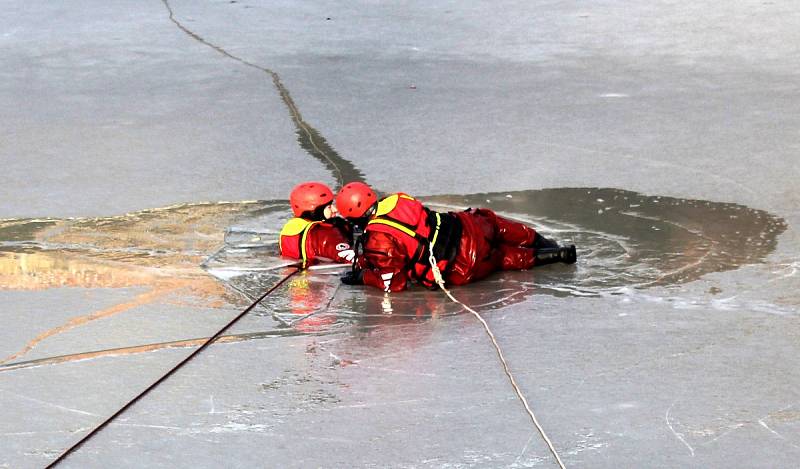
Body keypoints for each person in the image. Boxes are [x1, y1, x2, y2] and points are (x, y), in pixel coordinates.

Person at [335, 182, 576, 292]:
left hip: (462, 263)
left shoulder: (378, 241)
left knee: (501, 258)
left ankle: (553, 256)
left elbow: (393, 284)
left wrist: (364, 276)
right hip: (470, 225)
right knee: (497, 225)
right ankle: (547, 244)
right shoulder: (398, 198)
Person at [279, 181, 355, 267]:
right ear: (316, 211)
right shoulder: (326, 232)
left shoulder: (290, 228)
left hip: (293, 276)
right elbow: (352, 261)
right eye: (329, 207)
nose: (335, 210)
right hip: (322, 278)